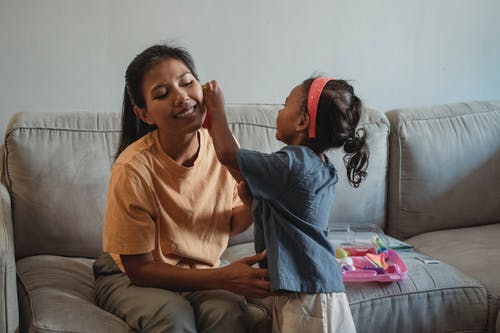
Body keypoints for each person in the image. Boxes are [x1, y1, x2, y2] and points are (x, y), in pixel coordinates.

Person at [92, 44, 271, 333]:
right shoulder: (133, 168)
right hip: (132, 276)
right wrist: (223, 278)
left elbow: (227, 223)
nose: (182, 97)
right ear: (144, 114)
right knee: (173, 318)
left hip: (201, 271)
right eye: (162, 94)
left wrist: (253, 203)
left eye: (188, 82)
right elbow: (139, 269)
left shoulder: (222, 148)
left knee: (227, 314)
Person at [204, 77, 369, 333]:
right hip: (314, 291)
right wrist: (256, 203)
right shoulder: (320, 166)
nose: (279, 111)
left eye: (284, 105)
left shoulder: (293, 162)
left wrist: (217, 110)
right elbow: (292, 216)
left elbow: (227, 155)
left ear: (302, 121)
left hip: (307, 296)